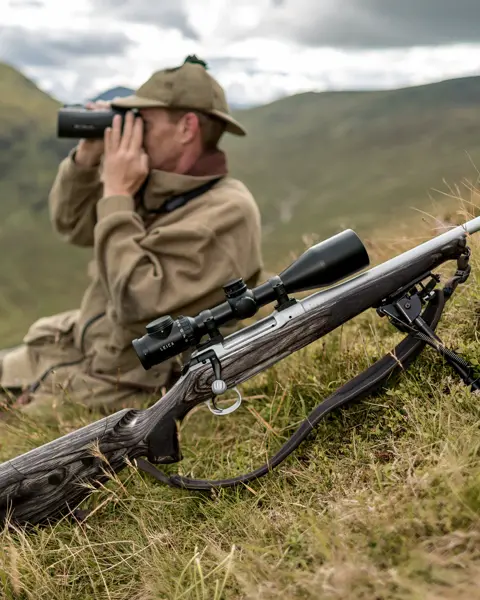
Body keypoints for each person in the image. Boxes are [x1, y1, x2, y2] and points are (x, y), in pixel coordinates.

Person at [0, 55, 263, 416]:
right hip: (79, 347)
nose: (133, 132)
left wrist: (117, 194)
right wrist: (87, 161)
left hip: (123, 381)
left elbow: (137, 304)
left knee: (12, 430)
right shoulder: (156, 188)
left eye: (144, 122)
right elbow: (71, 224)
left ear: (187, 128)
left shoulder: (226, 211)